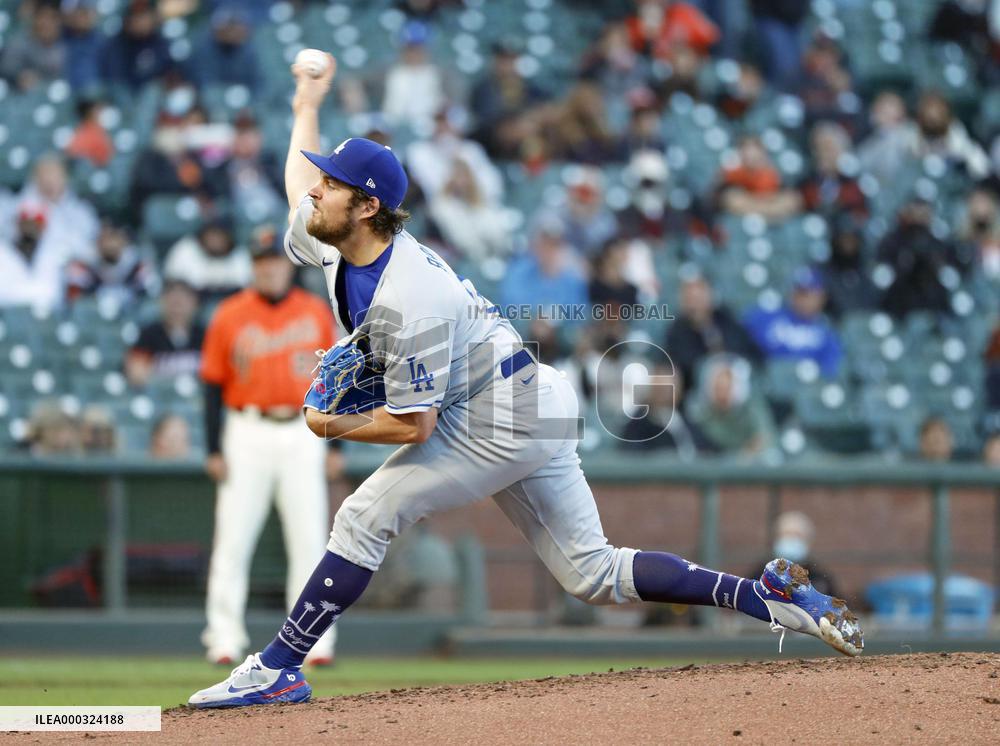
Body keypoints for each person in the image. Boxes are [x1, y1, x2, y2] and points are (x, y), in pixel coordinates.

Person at [188, 51, 863, 709]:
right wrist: (307, 105)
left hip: (496, 413)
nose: (315, 189)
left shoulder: (411, 292)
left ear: (366, 206)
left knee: (365, 515)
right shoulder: (338, 240)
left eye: (331, 184)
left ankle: (276, 667)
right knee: (592, 573)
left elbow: (414, 426)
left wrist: (328, 424)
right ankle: (765, 597)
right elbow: (291, 183)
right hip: (523, 398)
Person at [198, 233, 340, 666]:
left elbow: (332, 383)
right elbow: (211, 384)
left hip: (303, 431)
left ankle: (314, 641)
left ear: (290, 265)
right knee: (233, 539)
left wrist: (336, 445)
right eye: (261, 260)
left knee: (310, 540)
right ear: (252, 266)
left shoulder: (315, 312)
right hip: (247, 429)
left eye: (274, 260)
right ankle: (223, 637)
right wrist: (212, 448)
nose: (268, 267)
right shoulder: (229, 314)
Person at [664, 268, 760, 385]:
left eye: (699, 296)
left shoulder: (726, 319)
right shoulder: (677, 331)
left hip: (735, 379)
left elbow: (745, 350)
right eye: (690, 298)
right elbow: (685, 366)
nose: (695, 303)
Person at [743, 267, 843, 378]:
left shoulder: (827, 331)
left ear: (822, 298)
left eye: (810, 294)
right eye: (800, 292)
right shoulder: (766, 318)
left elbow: (830, 370)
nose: (805, 299)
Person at [686, 353, 777, 456]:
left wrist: (747, 455)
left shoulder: (750, 407)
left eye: (727, 389)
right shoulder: (700, 414)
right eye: (718, 389)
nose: (722, 395)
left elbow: (765, 437)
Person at [124, 279, 204, 386]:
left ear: (194, 304)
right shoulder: (148, 335)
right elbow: (136, 374)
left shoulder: (205, 335)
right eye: (173, 302)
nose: (177, 308)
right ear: (162, 302)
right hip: (159, 398)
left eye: (182, 302)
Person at [65, 219, 158, 308]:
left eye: (113, 236)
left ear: (124, 239)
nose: (108, 243)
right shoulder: (83, 265)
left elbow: (149, 305)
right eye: (103, 236)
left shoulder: (138, 265)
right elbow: (73, 304)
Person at [750, 512, 840, 598]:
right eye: (786, 534)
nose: (791, 539)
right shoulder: (760, 575)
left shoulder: (820, 579)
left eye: (797, 535)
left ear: (808, 542)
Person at [162, 217, 252, 302]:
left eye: (221, 234)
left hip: (231, 305)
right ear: (203, 233)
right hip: (192, 306)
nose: (216, 240)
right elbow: (172, 286)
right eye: (213, 233)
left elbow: (245, 289)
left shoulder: (241, 256)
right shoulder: (185, 250)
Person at [715, 135, 801, 222]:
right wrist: (771, 207)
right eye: (747, 156)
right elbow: (732, 201)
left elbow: (792, 201)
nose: (752, 157)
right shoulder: (732, 177)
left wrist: (755, 205)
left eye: (757, 157)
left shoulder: (774, 176)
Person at [0, 202, 66, 314]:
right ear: (18, 225)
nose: (30, 229)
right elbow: (4, 295)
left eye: (36, 224)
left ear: (43, 228)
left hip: (44, 323)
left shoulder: (52, 255)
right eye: (26, 223)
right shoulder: (3, 252)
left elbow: (53, 295)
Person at [0, 2, 65, 92]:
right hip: (18, 95)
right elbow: (7, 68)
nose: (46, 22)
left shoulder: (65, 46)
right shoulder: (18, 42)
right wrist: (18, 76)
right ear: (34, 18)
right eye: (42, 17)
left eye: (52, 18)